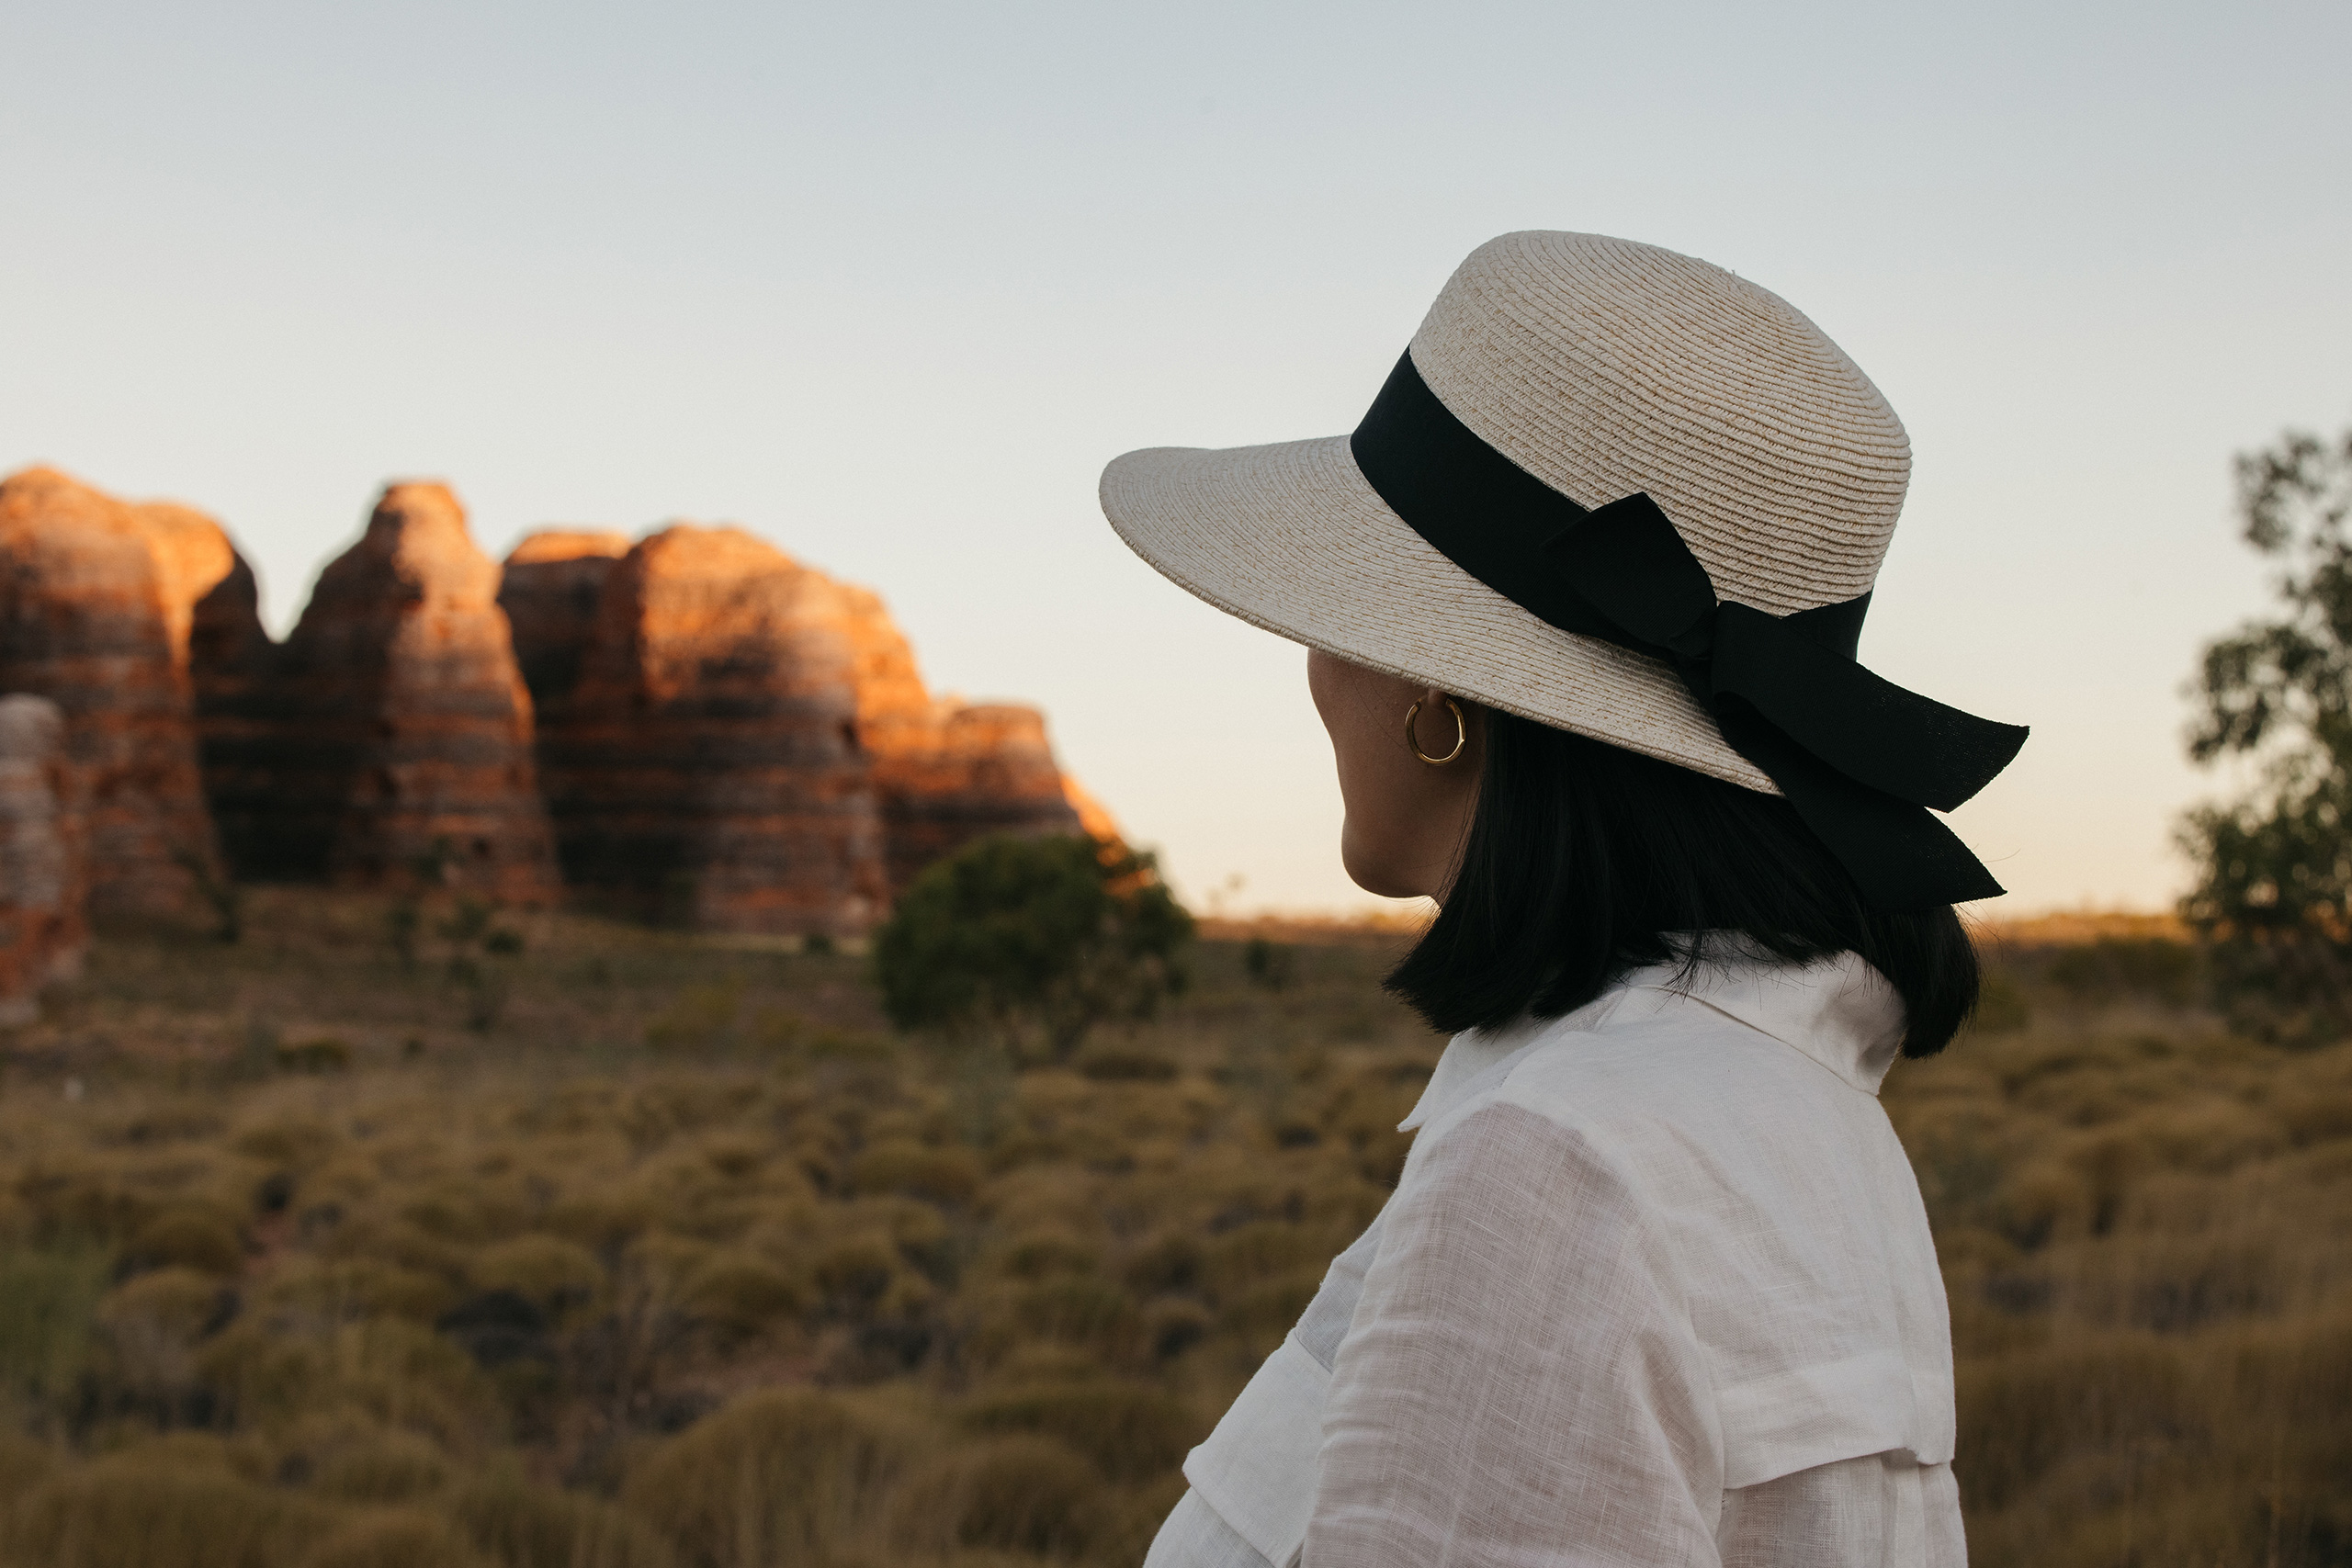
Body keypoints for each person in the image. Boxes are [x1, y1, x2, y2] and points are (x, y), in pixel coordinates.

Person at [1098, 232, 2024, 1566]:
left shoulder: (1556, 1170)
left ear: (1437, 692)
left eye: (1335, 614)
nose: (1312, 664)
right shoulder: (1783, 1111)